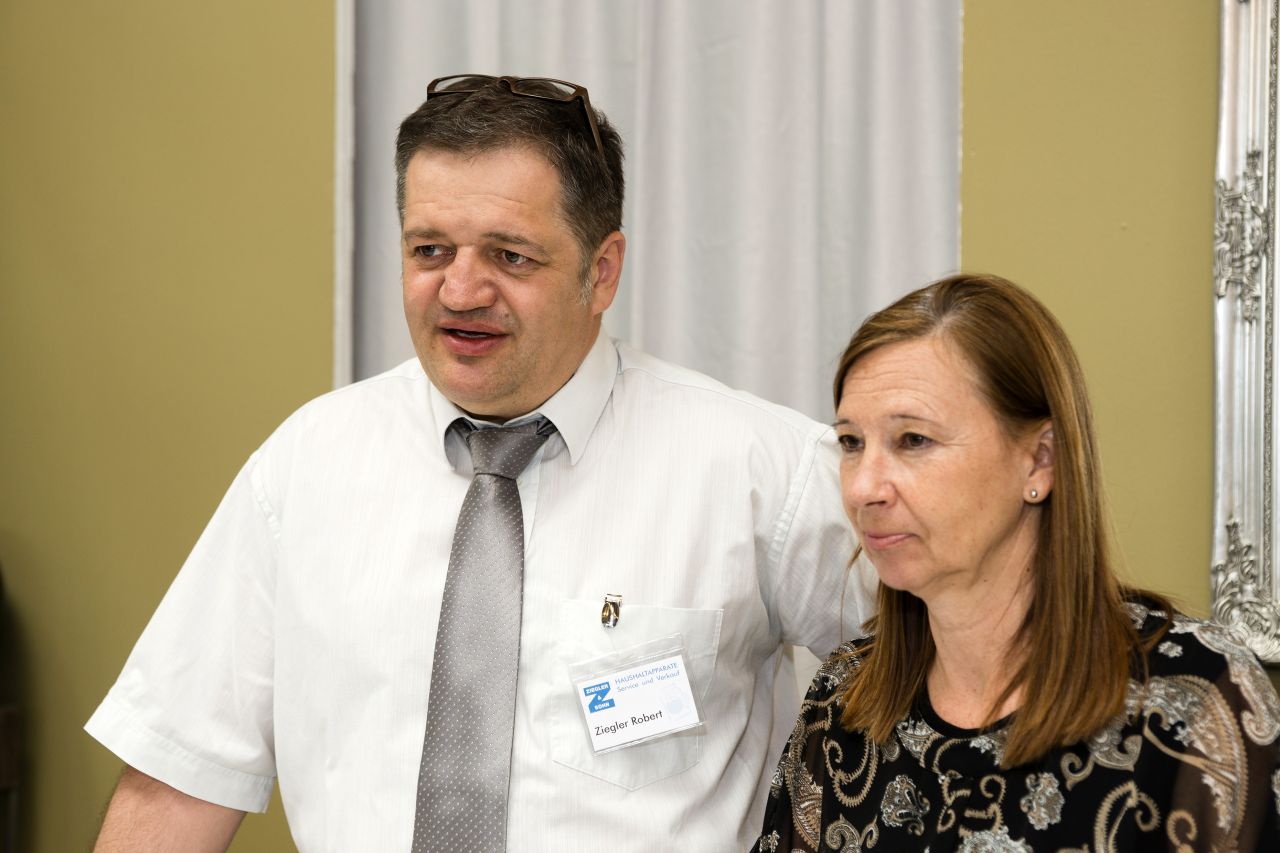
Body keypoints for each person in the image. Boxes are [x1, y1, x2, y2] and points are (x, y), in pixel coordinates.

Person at [85, 75, 874, 851]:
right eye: (430, 250)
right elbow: (180, 775)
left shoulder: (758, 469)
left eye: (510, 255)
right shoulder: (303, 468)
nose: (461, 291)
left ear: (601, 271)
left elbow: (939, 679)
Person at [756, 273, 1280, 852]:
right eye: (852, 443)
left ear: (1039, 461)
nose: (863, 489)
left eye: (913, 440)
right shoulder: (843, 702)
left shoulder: (1192, 700)